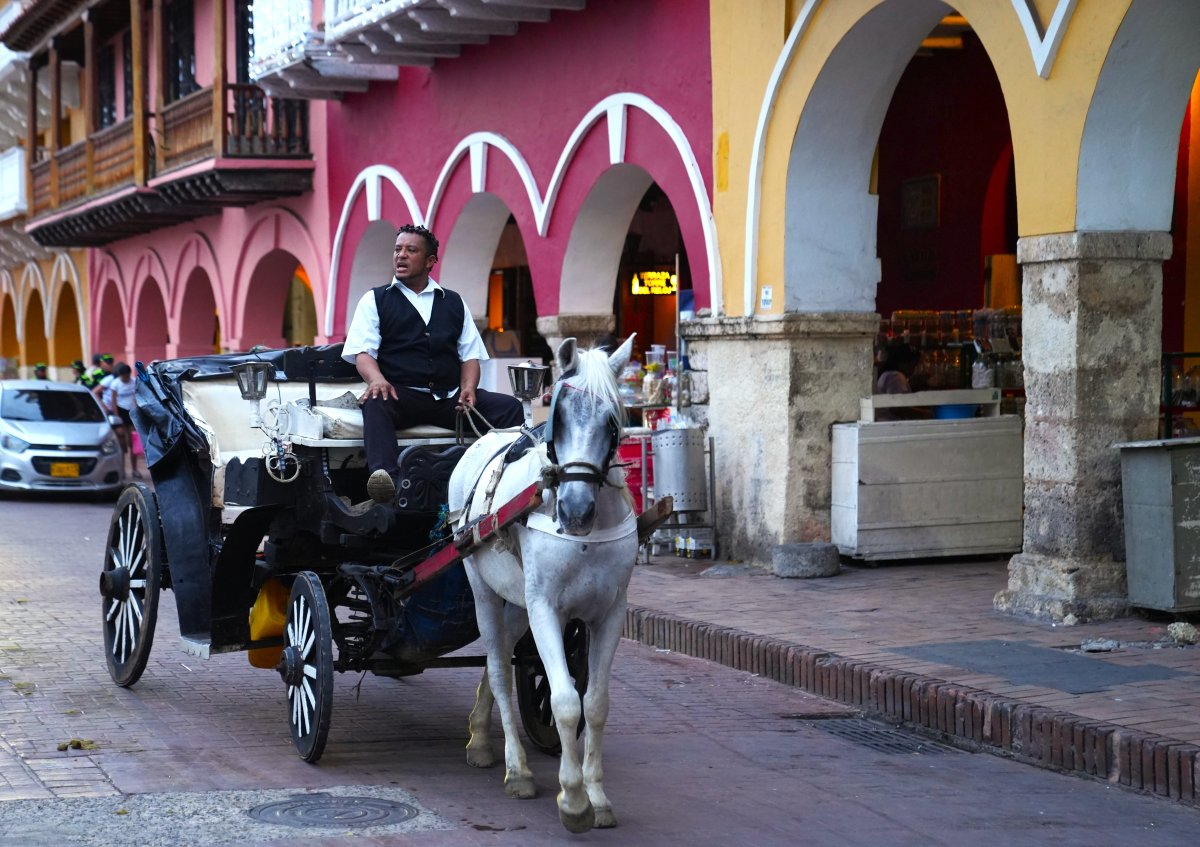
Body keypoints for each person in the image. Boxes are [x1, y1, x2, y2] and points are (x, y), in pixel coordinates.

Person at [342, 224, 523, 504]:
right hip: (401, 395)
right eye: (397, 249)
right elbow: (362, 353)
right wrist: (376, 379)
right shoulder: (375, 300)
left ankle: (506, 479)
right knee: (375, 401)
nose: (401, 256)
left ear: (429, 262)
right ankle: (386, 481)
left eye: (410, 250)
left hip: (449, 398)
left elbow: (470, 355)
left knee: (509, 408)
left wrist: (469, 388)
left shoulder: (453, 302)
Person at [107, 363, 142, 479]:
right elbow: (113, 402)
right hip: (120, 413)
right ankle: (121, 470)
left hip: (131, 413)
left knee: (133, 443)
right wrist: (117, 421)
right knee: (122, 445)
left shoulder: (134, 382)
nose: (125, 379)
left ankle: (134, 469)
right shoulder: (115, 384)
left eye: (127, 376)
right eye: (123, 377)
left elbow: (136, 398)